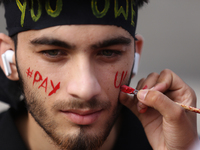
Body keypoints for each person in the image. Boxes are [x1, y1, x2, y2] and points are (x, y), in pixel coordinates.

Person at [0, 0, 198, 150]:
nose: (86, 90)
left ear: (135, 55)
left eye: (108, 52)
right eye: (53, 52)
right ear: (9, 59)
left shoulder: (169, 141)